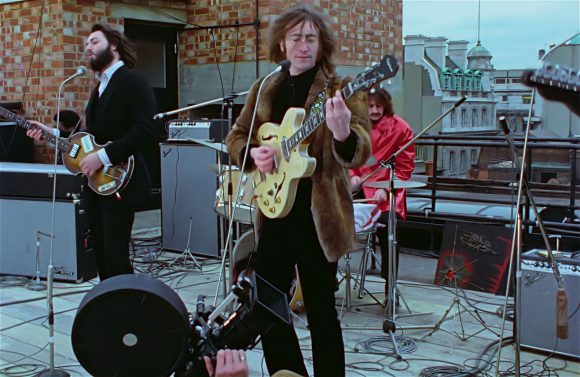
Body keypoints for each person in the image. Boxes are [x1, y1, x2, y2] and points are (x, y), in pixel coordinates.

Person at [225, 4, 371, 377]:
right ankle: (286, 372)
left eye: (311, 38)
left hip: (318, 218)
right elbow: (237, 135)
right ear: (283, 44)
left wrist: (341, 133)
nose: (303, 46)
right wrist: (252, 153)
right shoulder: (264, 87)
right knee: (270, 308)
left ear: (321, 44)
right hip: (273, 213)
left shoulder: (340, 89)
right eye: (296, 38)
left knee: (321, 311)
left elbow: (361, 148)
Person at [26, 23, 160, 280]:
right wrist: (50, 133)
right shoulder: (99, 88)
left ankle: (125, 308)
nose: (88, 47)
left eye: (94, 42)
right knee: (99, 249)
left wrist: (104, 156)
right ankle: (107, 307)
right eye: (87, 44)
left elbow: (147, 129)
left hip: (120, 180)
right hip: (96, 185)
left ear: (114, 45)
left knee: (115, 253)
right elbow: (88, 141)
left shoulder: (132, 81)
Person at [349, 87, 415, 300]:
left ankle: (391, 288)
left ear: (386, 105)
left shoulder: (401, 128)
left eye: (379, 106)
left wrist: (386, 189)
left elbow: (405, 168)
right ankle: (328, 280)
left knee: (389, 232)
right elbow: (349, 157)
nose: (375, 110)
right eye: (370, 106)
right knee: (330, 219)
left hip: (387, 192)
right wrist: (352, 176)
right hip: (359, 189)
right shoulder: (356, 127)